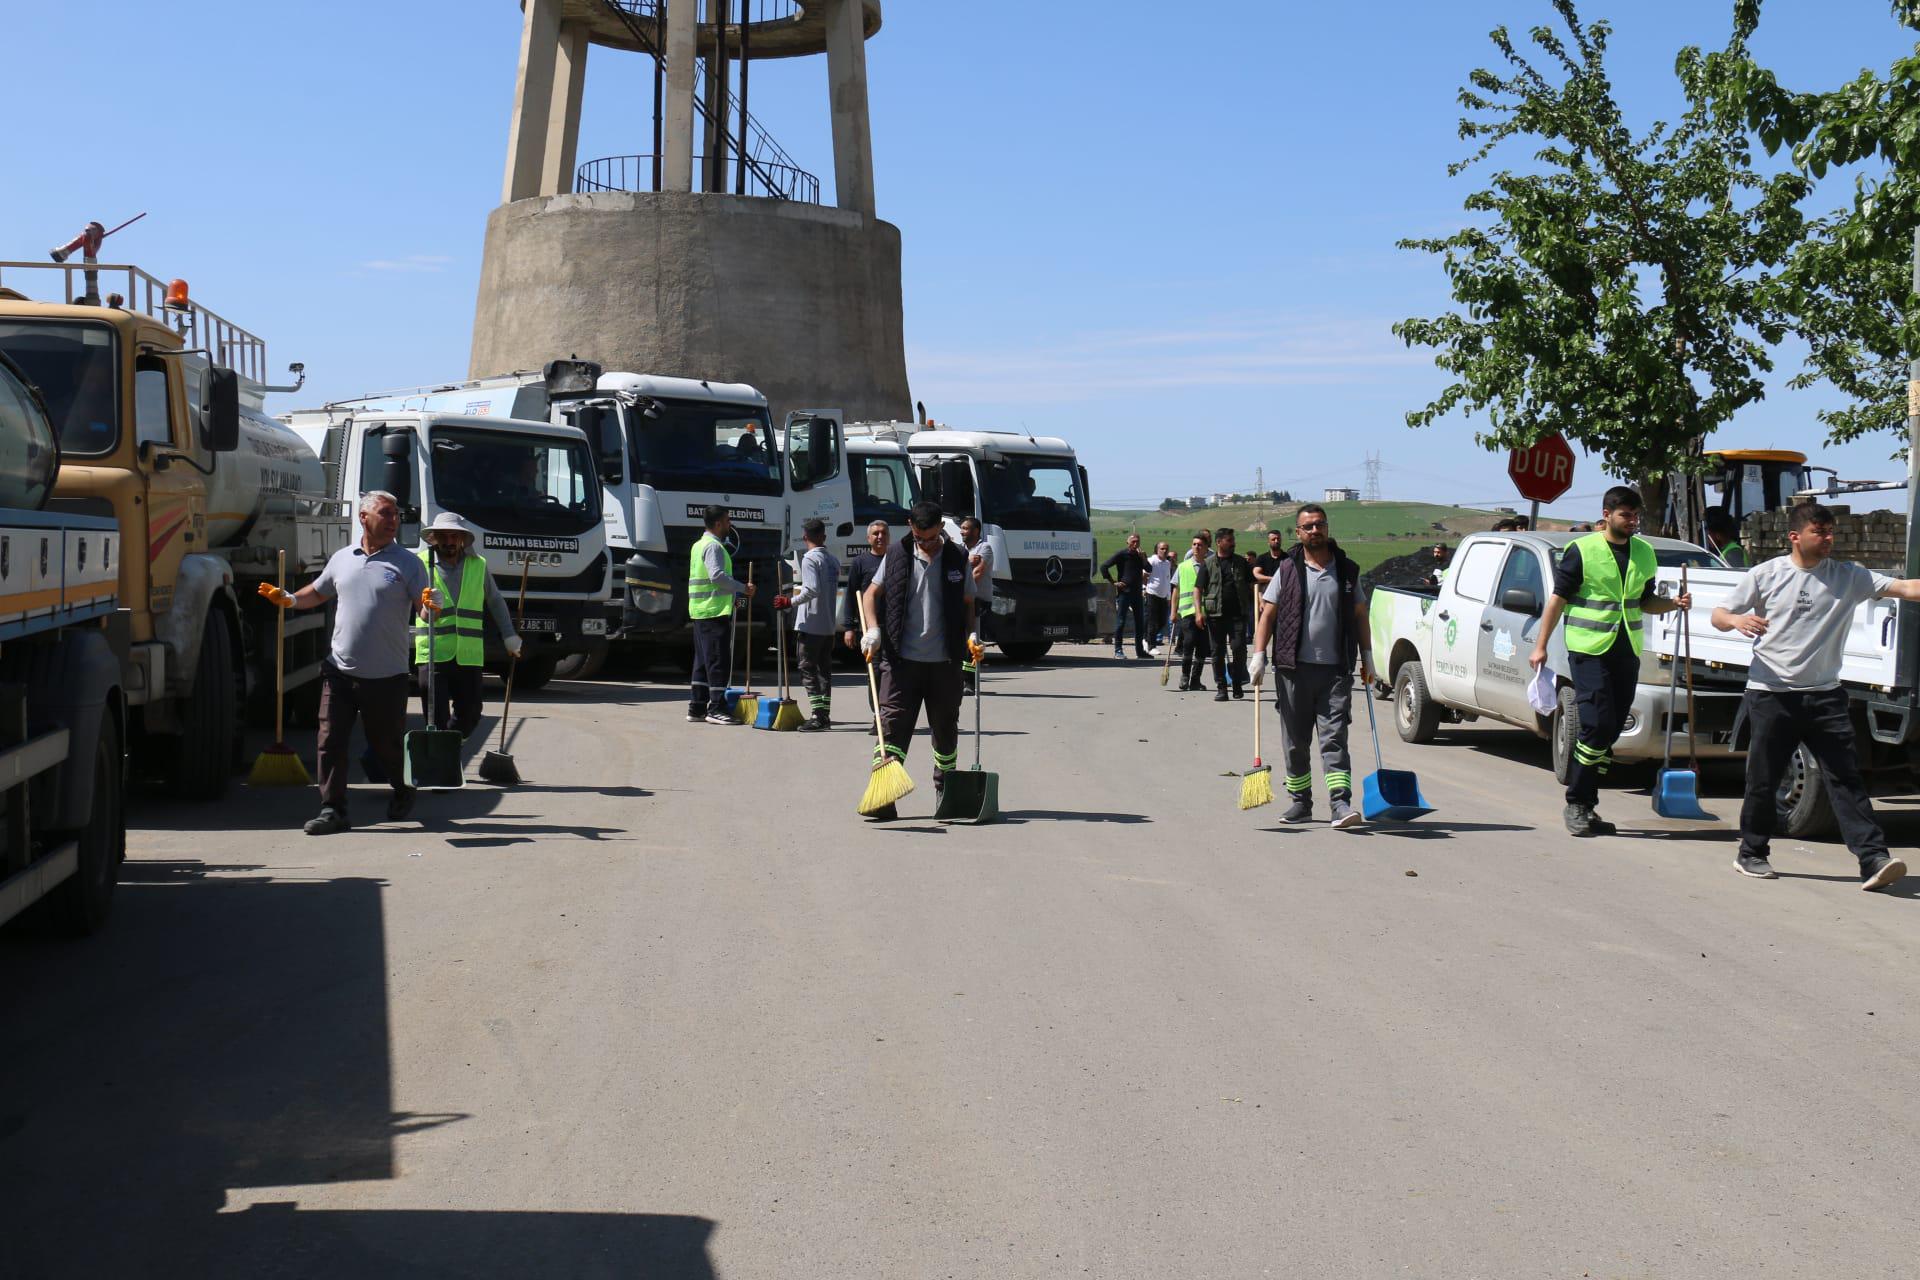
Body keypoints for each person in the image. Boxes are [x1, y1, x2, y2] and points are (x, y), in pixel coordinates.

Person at [1711, 501, 1913, 889]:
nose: (1828, 539)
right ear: (1795, 536)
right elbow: (1719, 615)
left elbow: (1903, 587)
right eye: (1819, 532)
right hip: (1772, 694)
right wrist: (1737, 619)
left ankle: (1873, 859)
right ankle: (1751, 852)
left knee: (1845, 779)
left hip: (1825, 696)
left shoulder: (1848, 576)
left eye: (1830, 532)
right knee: (1763, 779)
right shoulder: (1765, 575)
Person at [259, 490, 432, 836]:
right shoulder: (342, 558)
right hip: (339, 670)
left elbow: (424, 609)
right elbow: (319, 591)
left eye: (396, 514)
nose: (393, 519)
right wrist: (289, 599)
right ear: (363, 518)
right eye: (385, 513)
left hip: (387, 676)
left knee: (386, 744)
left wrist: (433, 606)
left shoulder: (409, 563)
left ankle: (402, 787)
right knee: (330, 739)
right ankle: (333, 809)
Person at [1527, 486, 1690, 837]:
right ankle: (1577, 803)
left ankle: (1589, 804)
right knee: (1597, 724)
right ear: (1607, 514)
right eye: (1625, 515)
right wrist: (1540, 646)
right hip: (1589, 649)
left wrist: (1674, 603)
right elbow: (1557, 600)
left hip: (1626, 648)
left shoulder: (1645, 552)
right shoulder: (1581, 550)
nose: (1632, 522)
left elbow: (1645, 601)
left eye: (1636, 516)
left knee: (1611, 729)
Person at [1248, 504, 1375, 828]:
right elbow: (1268, 615)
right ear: (1299, 533)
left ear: (1327, 528)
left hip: (1335, 671)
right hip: (1293, 669)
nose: (1315, 530)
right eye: (1308, 526)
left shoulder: (1347, 570)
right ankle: (1301, 803)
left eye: (1320, 524)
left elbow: (1360, 615)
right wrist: (1259, 655)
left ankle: (1340, 804)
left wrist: (1368, 656)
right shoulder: (1288, 570)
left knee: (1334, 738)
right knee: (1295, 742)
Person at [859, 501, 978, 820]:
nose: (923, 543)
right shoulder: (897, 554)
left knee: (945, 729)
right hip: (901, 662)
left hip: (945, 662)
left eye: (929, 537)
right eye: (918, 536)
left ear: (941, 527)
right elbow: (871, 594)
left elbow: (969, 602)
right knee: (891, 727)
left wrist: (972, 635)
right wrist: (872, 630)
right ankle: (883, 796)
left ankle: (946, 792)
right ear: (910, 525)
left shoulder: (957, 558)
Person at [414, 512, 522, 737]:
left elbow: (495, 601)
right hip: (434, 653)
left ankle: (450, 748)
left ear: (463, 539)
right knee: (436, 719)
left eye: (454, 536)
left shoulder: (477, 565)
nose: (449, 541)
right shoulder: (421, 564)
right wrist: (428, 608)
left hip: (468, 655)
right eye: (443, 536)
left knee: (471, 713)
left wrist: (509, 636)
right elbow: (412, 607)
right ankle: (441, 763)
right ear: (434, 538)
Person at [687, 504, 755, 725]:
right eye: (727, 521)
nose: (729, 524)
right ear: (717, 524)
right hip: (713, 612)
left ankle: (697, 707)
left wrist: (732, 595)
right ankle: (716, 708)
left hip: (701, 610)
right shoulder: (714, 547)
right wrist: (742, 588)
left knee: (703, 662)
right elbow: (717, 576)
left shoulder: (699, 545)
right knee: (717, 660)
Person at [779, 517, 841, 731]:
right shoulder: (833, 560)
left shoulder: (809, 559)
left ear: (805, 537)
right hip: (828, 625)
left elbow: (812, 589)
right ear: (824, 536)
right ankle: (824, 714)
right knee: (824, 671)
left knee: (807, 668)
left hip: (811, 624)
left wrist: (789, 601)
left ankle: (817, 715)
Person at [1195, 527, 1254, 701]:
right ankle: (1221, 687)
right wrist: (1199, 612)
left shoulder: (1241, 563)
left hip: (1238, 615)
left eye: (1233, 540)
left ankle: (1236, 683)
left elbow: (1252, 583)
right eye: (1229, 540)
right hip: (1215, 616)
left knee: (1239, 649)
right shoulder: (1208, 563)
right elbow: (1198, 589)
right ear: (1220, 542)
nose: (1233, 543)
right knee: (1217, 652)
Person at [842, 520, 891, 727]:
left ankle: (891, 713)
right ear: (868, 538)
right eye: (875, 534)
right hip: (872, 629)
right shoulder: (861, 562)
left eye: (883, 533)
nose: (880, 537)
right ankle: (878, 715)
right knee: (876, 672)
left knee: (895, 672)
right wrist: (849, 627)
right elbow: (851, 595)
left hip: (896, 628)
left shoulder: (897, 559)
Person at [1102, 532, 1150, 659]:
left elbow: (1149, 569)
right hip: (1125, 593)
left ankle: (1140, 651)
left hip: (1137, 593)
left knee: (1140, 623)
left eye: (1137, 541)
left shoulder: (1141, 556)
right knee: (1121, 621)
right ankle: (1118, 650)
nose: (1135, 544)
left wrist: (1143, 557)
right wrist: (1114, 582)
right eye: (1133, 541)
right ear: (1127, 542)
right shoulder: (1122, 554)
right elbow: (1104, 567)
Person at [960, 517, 994, 695]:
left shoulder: (985, 549)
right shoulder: (962, 551)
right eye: (962, 528)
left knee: (972, 643)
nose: (962, 531)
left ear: (976, 531)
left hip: (978, 601)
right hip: (962, 600)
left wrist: (965, 565)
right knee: (959, 642)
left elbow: (977, 573)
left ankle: (969, 682)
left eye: (966, 528)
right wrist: (967, 560)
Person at [1175, 535, 1211, 691]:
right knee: (1189, 642)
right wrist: (1173, 611)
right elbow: (1176, 590)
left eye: (1200, 545)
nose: (1196, 547)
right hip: (1187, 611)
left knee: (1203, 647)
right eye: (1194, 544)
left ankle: (1196, 679)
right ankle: (1185, 676)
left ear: (1206, 548)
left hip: (1206, 612)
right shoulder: (1182, 567)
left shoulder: (1211, 567)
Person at [1143, 540, 1177, 654]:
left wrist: (1168, 596)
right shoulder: (1151, 560)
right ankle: (1151, 646)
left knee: (1162, 621)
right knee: (1152, 620)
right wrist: (1144, 588)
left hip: (1164, 595)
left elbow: (1167, 579)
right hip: (1152, 593)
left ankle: (1146, 638)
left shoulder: (1168, 563)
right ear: (1157, 550)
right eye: (1162, 549)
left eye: (1166, 549)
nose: (1164, 551)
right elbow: (1143, 574)